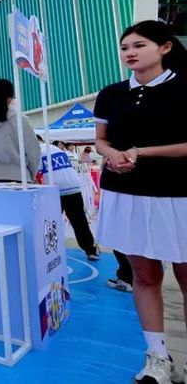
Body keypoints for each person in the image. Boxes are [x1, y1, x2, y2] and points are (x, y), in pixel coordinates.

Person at [93, 19, 187, 383]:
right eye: (125, 47)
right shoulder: (111, 94)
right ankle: (158, 358)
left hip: (177, 194)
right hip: (126, 193)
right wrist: (112, 154)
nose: (129, 53)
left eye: (139, 45)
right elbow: (101, 139)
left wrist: (141, 152)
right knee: (144, 276)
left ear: (165, 47)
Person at [37, 134, 99, 260]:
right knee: (79, 221)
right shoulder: (57, 150)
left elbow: (33, 171)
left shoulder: (37, 151)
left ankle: (49, 251)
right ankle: (90, 250)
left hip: (56, 190)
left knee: (50, 222)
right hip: (73, 187)